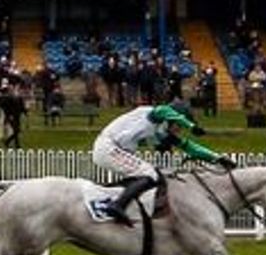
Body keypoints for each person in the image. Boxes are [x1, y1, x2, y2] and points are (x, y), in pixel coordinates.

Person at [91, 97, 235, 226]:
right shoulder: (154, 114)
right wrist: (191, 126)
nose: (179, 130)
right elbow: (164, 110)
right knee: (149, 174)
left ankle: (117, 201)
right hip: (110, 147)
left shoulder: (160, 132)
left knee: (151, 175)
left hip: (115, 150)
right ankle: (117, 206)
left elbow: (189, 147)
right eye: (178, 126)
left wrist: (217, 157)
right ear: (174, 118)